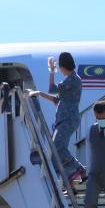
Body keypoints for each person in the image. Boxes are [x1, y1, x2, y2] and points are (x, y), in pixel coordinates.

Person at [30, 52, 85, 183]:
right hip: (64, 120)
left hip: (68, 119)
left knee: (58, 147)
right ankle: (67, 180)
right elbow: (56, 99)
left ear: (62, 67)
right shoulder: (71, 81)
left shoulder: (72, 80)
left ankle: (79, 169)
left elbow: (53, 88)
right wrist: (39, 94)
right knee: (55, 150)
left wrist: (52, 71)